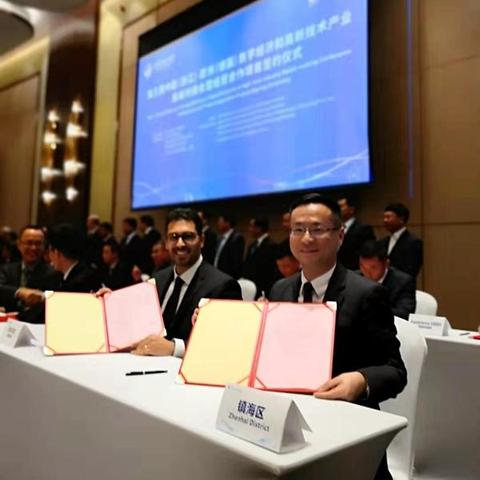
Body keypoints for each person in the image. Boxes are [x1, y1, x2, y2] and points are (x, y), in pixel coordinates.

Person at [269, 193, 406, 480]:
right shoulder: (280, 289)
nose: (307, 238)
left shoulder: (366, 294)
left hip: (346, 432)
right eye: (298, 229)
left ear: (340, 235)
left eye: (317, 229)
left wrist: (360, 380)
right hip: (288, 425)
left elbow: (395, 370)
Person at [129, 208, 242, 357]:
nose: (180, 244)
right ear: (166, 243)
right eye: (173, 237)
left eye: (188, 236)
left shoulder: (223, 286)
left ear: (202, 240)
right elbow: (139, 323)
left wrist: (175, 348)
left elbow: (228, 345)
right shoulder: (158, 279)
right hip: (145, 364)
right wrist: (109, 304)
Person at [0, 225, 59, 323]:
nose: (33, 248)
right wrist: (19, 292)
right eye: (29, 243)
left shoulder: (54, 273)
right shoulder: (6, 269)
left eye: (38, 243)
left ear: (44, 246)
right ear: (19, 245)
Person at [359, 240, 416, 320]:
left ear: (386, 264)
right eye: (363, 267)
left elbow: (404, 314)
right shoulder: (355, 277)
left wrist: (373, 310)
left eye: (373, 268)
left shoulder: (403, 282)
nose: (367, 273)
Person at [48, 224, 101, 292]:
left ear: (56, 252)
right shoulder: (84, 272)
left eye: (49, 251)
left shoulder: (78, 283)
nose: (49, 256)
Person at [379, 203, 423, 278]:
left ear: (401, 219)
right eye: (384, 217)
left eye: (388, 217)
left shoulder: (414, 242)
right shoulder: (382, 242)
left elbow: (412, 270)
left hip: (403, 283)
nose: (385, 220)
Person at [242, 216, 280, 297]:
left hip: (263, 289)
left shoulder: (271, 245)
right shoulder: (252, 245)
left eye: (251, 226)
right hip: (250, 288)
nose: (249, 229)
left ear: (258, 228)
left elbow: (270, 271)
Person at [337, 196, 375, 270]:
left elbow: (368, 253)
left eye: (340, 206)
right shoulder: (334, 229)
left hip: (354, 271)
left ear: (351, 209)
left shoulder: (363, 229)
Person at [213, 213, 244, 279]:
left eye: (220, 221)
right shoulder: (219, 238)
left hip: (227, 277)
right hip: (216, 273)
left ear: (227, 223)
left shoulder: (237, 238)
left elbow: (236, 263)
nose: (218, 223)